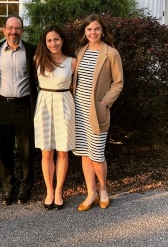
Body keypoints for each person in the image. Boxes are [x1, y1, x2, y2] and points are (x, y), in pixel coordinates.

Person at [72, 13, 123, 211]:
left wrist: (105, 103)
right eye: (89, 29)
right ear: (84, 32)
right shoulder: (79, 52)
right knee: (85, 154)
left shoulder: (111, 53)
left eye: (96, 29)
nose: (93, 32)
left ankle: (103, 190)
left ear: (102, 31)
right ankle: (90, 192)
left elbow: (118, 83)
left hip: (97, 111)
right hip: (79, 112)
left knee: (97, 155)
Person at [0, 15, 37, 205]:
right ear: (4, 30)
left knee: (27, 149)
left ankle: (26, 186)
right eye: (10, 28)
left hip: (25, 105)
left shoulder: (32, 50)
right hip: (2, 106)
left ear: (22, 30)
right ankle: (8, 186)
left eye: (17, 28)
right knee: (4, 149)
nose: (14, 31)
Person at [34, 26, 76, 210]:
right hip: (44, 104)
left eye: (56, 39)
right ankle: (49, 190)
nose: (53, 43)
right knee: (46, 152)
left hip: (64, 103)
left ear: (62, 40)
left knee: (62, 151)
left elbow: (75, 88)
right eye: (49, 40)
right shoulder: (38, 59)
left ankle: (59, 190)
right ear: (45, 43)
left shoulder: (72, 62)